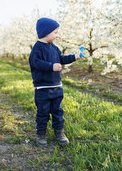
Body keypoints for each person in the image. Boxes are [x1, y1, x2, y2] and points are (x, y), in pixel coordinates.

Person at [29, 17, 83, 147]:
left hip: (57, 87)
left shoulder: (54, 48)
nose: (57, 36)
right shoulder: (38, 48)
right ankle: (41, 134)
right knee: (42, 112)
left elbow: (62, 59)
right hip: (43, 88)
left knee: (57, 111)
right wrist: (50, 66)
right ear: (45, 32)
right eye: (55, 32)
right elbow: (35, 63)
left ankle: (59, 132)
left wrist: (75, 57)